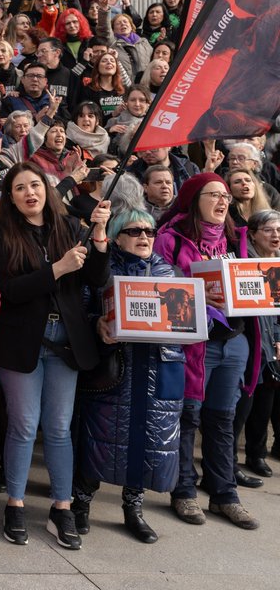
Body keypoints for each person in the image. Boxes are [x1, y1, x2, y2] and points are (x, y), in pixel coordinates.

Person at [0, 162, 111, 550]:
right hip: (20, 341)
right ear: (11, 197)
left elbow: (95, 279)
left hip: (66, 339)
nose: (29, 193)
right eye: (19, 188)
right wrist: (56, 269)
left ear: (47, 190)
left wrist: (101, 237)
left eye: (35, 185)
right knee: (24, 425)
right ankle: (16, 504)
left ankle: (62, 507)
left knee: (58, 428)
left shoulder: (71, 227)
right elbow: (7, 291)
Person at [154, 173, 261, 530]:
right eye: (213, 194)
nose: (222, 201)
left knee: (223, 420)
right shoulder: (170, 238)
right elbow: (158, 288)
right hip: (193, 343)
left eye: (226, 196)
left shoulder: (238, 238)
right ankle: (183, 491)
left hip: (235, 342)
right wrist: (198, 295)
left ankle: (224, 495)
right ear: (193, 199)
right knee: (188, 418)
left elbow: (256, 283)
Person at [73, 207, 183, 544]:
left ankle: (133, 509)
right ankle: (81, 503)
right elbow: (84, 308)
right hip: (115, 368)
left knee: (146, 443)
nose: (144, 237)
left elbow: (190, 317)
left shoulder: (169, 272)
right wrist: (98, 324)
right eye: (135, 231)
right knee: (98, 437)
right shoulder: (103, 269)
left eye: (149, 231)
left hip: (156, 369)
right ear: (118, 235)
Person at [242, 210, 280, 481]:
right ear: (253, 233)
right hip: (249, 340)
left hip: (272, 340)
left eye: (278, 230)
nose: (275, 235)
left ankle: (257, 454)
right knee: (245, 401)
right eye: (268, 230)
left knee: (266, 399)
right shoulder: (244, 263)